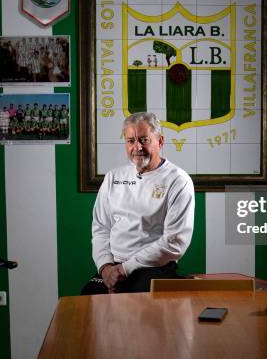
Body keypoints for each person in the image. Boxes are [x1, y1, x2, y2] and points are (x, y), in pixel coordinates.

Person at [82, 112, 195, 294]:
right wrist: (105, 268)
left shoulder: (178, 180)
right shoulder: (113, 177)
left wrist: (123, 269)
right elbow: (101, 227)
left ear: (160, 141)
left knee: (138, 307)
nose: (137, 147)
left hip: (153, 268)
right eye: (131, 141)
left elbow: (175, 241)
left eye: (144, 140)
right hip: (113, 266)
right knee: (89, 295)